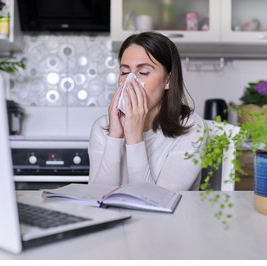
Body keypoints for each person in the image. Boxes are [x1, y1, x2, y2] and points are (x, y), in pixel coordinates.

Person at [88, 32, 206, 191]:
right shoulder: (102, 127)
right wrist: (114, 138)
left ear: (168, 80)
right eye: (124, 72)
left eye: (143, 72)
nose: (130, 81)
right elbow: (97, 197)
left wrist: (134, 137)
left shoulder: (191, 127)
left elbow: (157, 203)